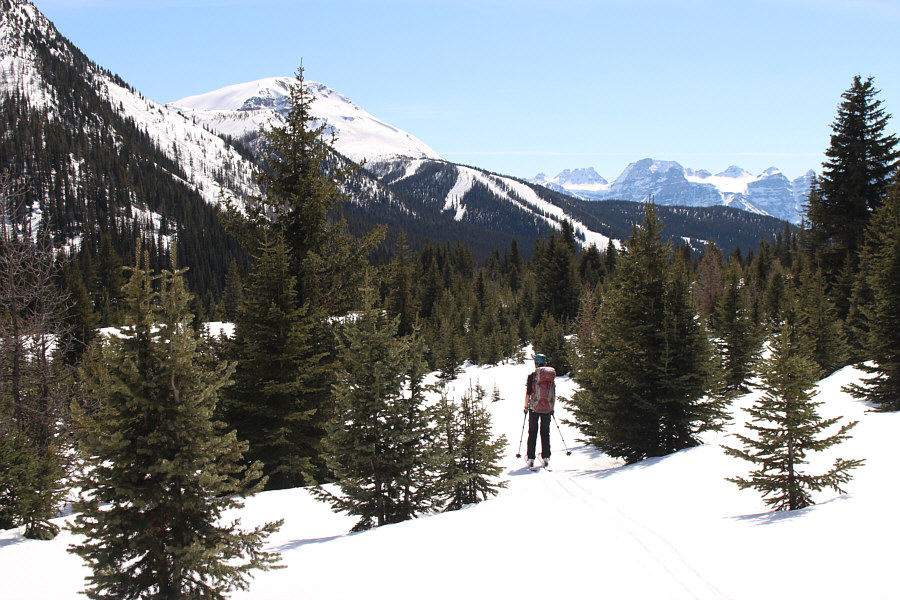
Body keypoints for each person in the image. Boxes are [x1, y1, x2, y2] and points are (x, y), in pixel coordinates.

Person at [524, 353, 556, 468]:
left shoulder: (532, 376)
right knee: (545, 433)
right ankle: (546, 457)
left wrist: (525, 406)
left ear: (535, 363)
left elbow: (528, 393)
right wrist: (552, 407)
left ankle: (531, 458)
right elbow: (553, 392)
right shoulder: (551, 376)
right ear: (545, 363)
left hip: (534, 408)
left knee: (532, 433)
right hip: (547, 408)